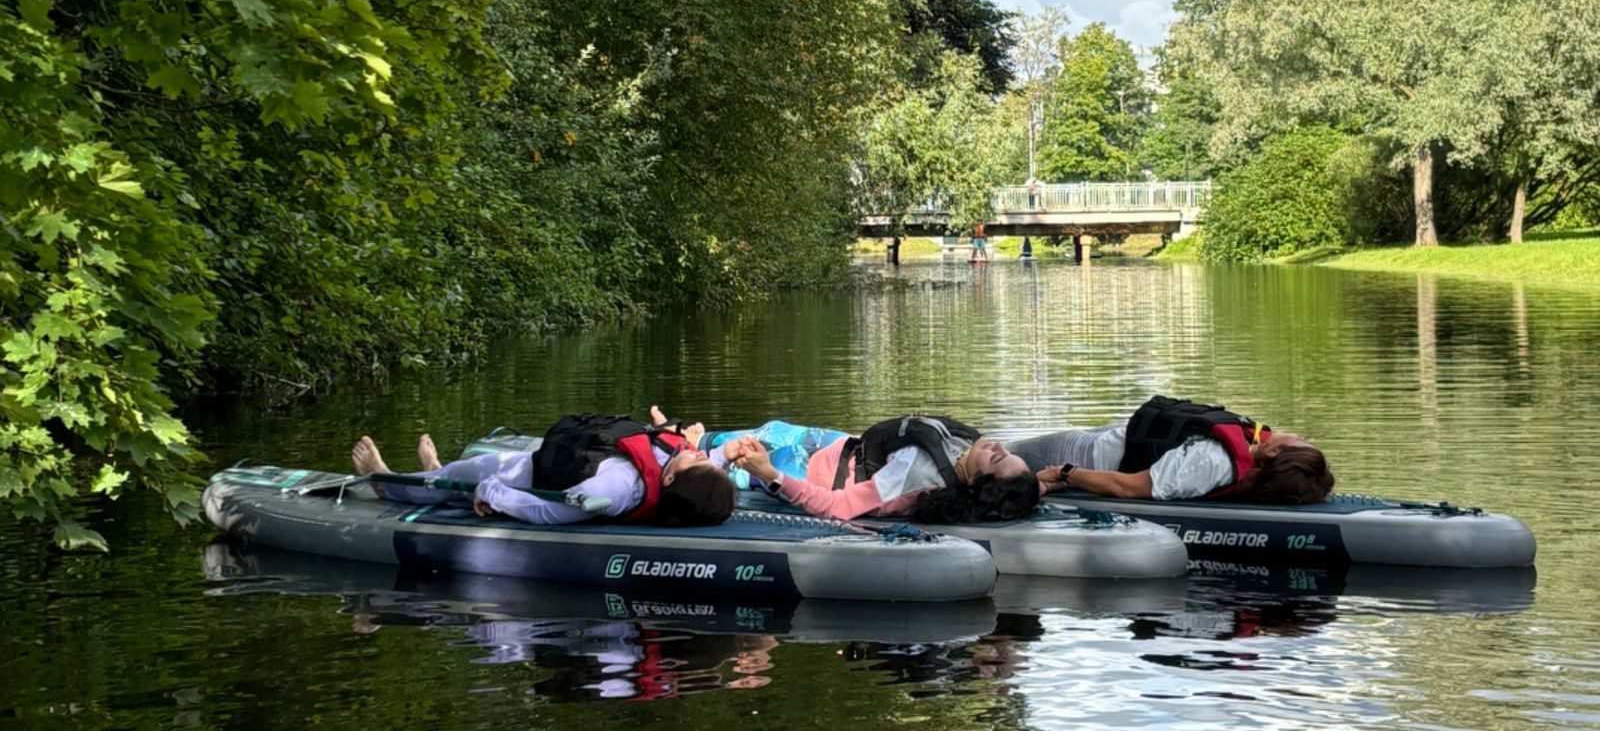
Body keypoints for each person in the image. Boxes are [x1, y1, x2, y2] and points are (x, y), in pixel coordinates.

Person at [351, 405, 736, 527]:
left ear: (669, 477)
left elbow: (553, 510)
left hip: (525, 474)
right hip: (557, 460)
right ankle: (437, 469)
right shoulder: (685, 473)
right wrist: (728, 454)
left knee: (455, 480)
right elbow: (704, 473)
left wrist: (497, 495)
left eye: (700, 459)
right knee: (453, 474)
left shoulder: (617, 488)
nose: (701, 453)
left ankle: (382, 480)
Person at [1009, 395, 1335, 505]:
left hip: (1087, 454)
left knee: (1000, 455)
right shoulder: (1250, 448)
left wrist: (1063, 472)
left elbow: (1129, 487)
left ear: (1276, 455)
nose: (1298, 434)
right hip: (1115, 436)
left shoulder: (1212, 463)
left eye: (1301, 442)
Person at [714, 414, 1040, 523]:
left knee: (723, 458)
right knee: (768, 427)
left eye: (997, 458)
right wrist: (1046, 482)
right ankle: (692, 436)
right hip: (839, 444)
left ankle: (680, 449)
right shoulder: (966, 450)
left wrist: (769, 475)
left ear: (977, 483)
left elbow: (837, 507)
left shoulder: (916, 476)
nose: (997, 446)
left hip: (808, 472)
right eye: (1004, 451)